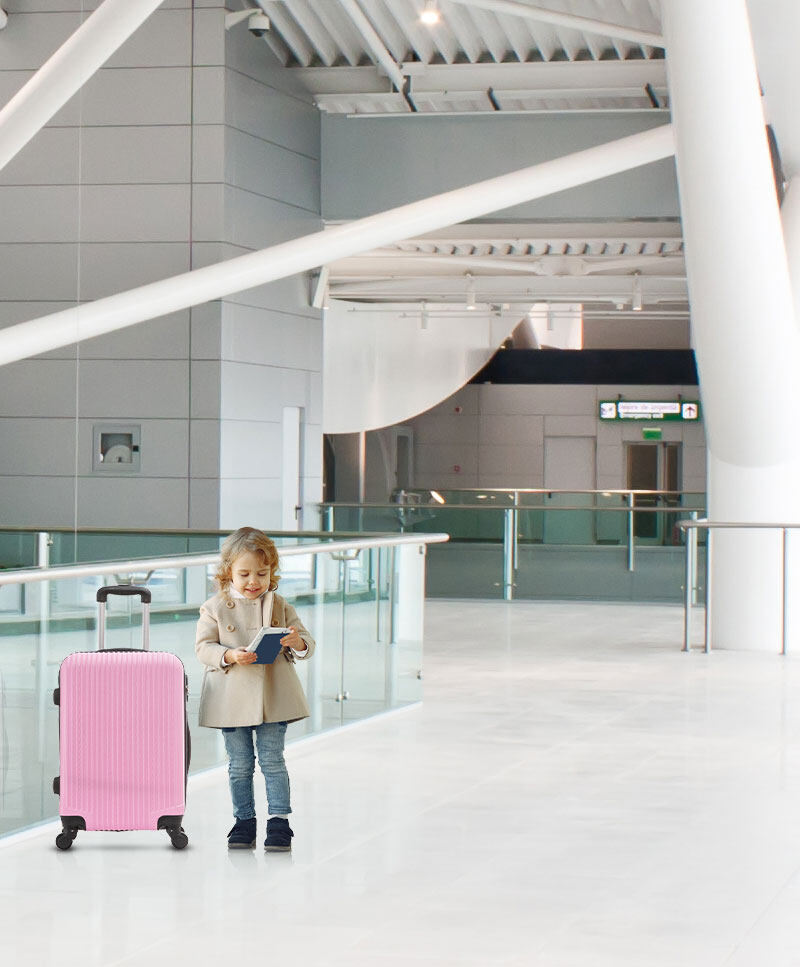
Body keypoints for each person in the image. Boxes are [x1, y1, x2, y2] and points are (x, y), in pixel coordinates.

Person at [195, 526, 315, 851]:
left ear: (271, 573)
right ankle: (243, 820)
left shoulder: (279, 604)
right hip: (231, 697)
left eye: (261, 573)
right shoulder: (214, 607)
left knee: (273, 760)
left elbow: (307, 643)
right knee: (239, 764)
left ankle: (279, 822)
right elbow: (203, 648)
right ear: (227, 573)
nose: (253, 582)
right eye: (244, 573)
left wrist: (297, 641)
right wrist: (229, 654)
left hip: (272, 696)